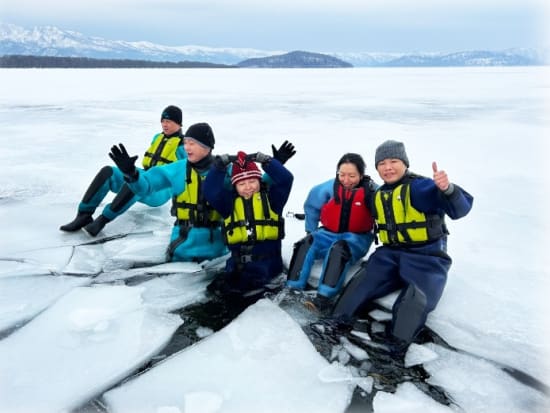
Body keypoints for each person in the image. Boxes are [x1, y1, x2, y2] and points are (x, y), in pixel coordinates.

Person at [331, 140, 474, 357]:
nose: (388, 167)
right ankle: (336, 323)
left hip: (426, 257)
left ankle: (395, 347)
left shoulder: (422, 187)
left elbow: (460, 209)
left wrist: (447, 189)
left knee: (414, 299)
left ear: (405, 163)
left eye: (394, 161)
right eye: (382, 163)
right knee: (361, 282)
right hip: (390, 253)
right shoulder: (378, 194)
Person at [108, 122, 227, 262]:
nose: (187, 147)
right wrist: (132, 174)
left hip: (218, 255)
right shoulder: (178, 169)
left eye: (192, 143)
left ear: (207, 146)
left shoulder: (225, 171)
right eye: (185, 143)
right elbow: (145, 187)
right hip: (181, 251)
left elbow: (254, 190)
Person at [60, 105, 186, 236]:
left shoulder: (184, 146)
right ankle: (84, 215)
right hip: (147, 176)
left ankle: (103, 220)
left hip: (161, 191)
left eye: (169, 122)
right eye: (163, 121)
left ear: (178, 123)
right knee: (108, 172)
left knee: (134, 179)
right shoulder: (157, 137)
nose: (164, 125)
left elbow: (187, 174)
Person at [286, 153, 377, 311]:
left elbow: (388, 212)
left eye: (352, 176)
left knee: (338, 250)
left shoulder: (373, 191)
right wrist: (311, 230)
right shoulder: (328, 187)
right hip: (327, 234)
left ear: (361, 175)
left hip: (357, 239)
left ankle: (324, 298)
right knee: (305, 244)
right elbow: (312, 207)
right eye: (341, 175)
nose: (346, 180)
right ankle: (292, 289)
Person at [203, 150, 293, 299]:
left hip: (269, 270)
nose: (248, 187)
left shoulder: (273, 200)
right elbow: (210, 190)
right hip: (237, 271)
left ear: (259, 181)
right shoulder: (228, 204)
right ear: (235, 186)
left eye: (252, 181)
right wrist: (219, 166)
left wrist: (267, 161)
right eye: (242, 183)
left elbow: (286, 179)